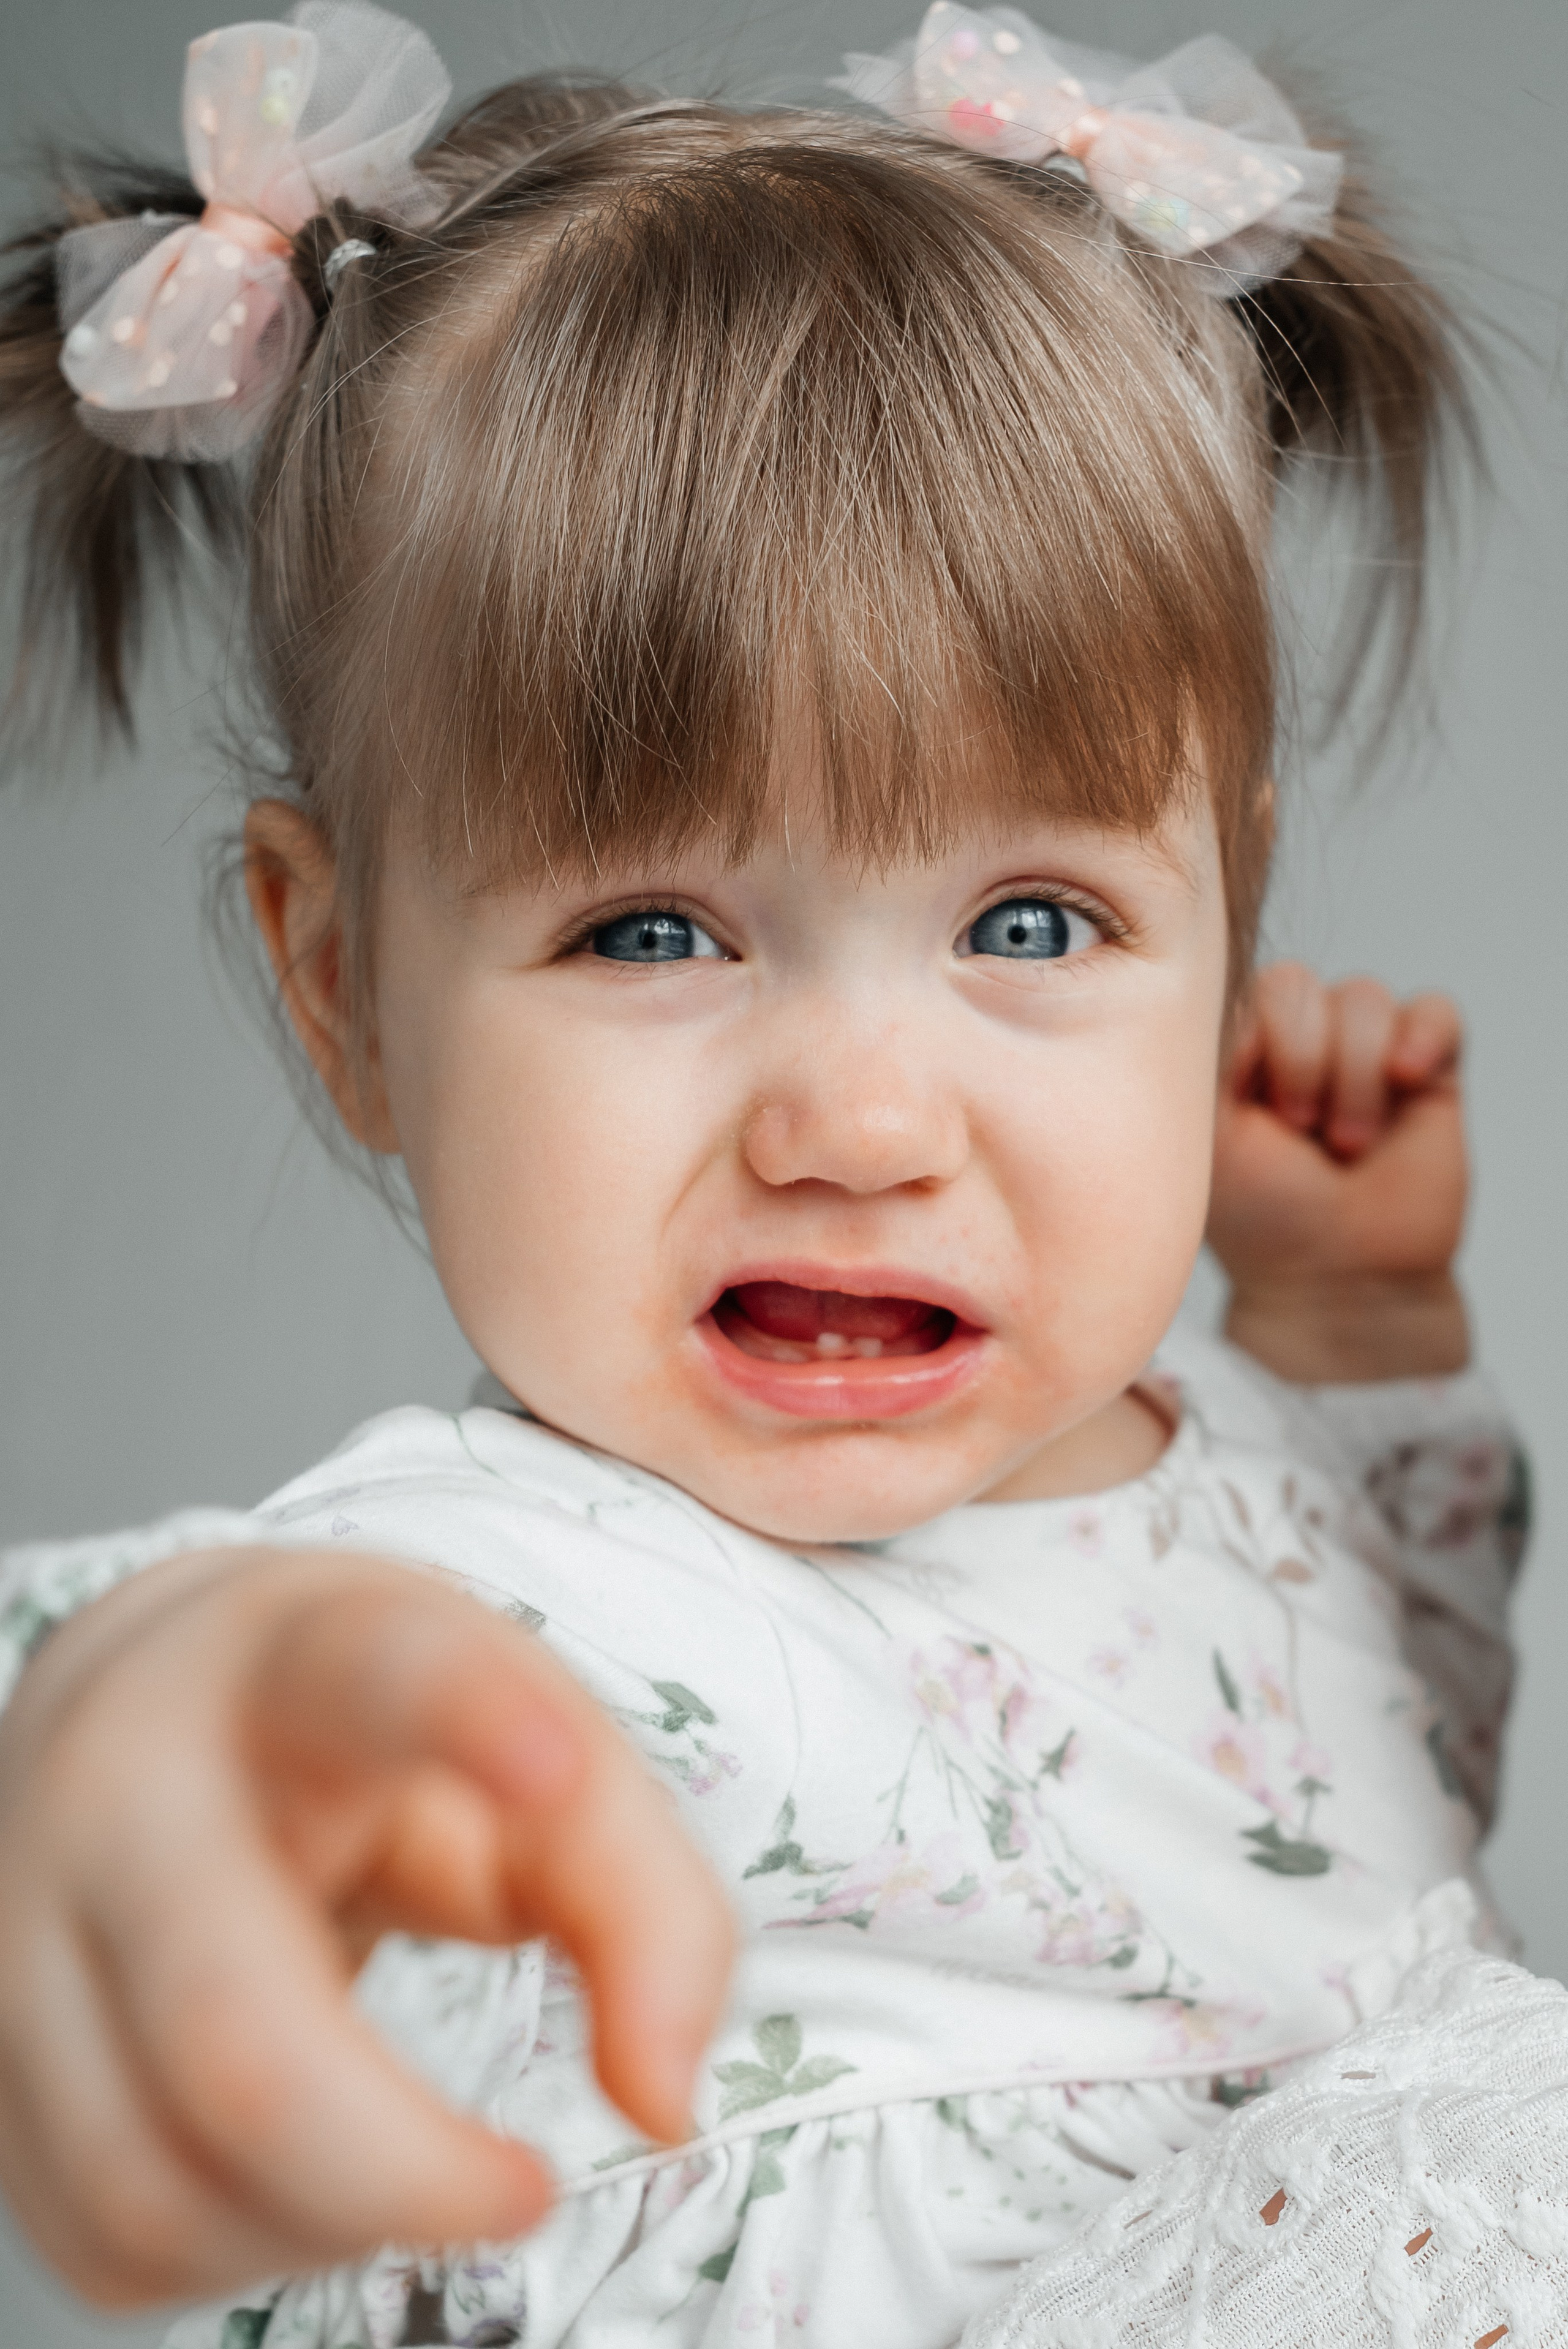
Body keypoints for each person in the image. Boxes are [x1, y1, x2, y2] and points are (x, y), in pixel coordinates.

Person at [0, 4, 1525, 2343]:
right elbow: (248, 1696)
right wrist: (157, 1728)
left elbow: (1391, 1776)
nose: (860, 1124)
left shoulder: (1240, 1461)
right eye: (651, 931)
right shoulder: (533, 1613)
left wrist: (1348, 1330)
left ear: (1228, 940)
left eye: (1033, 925)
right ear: (345, 992)